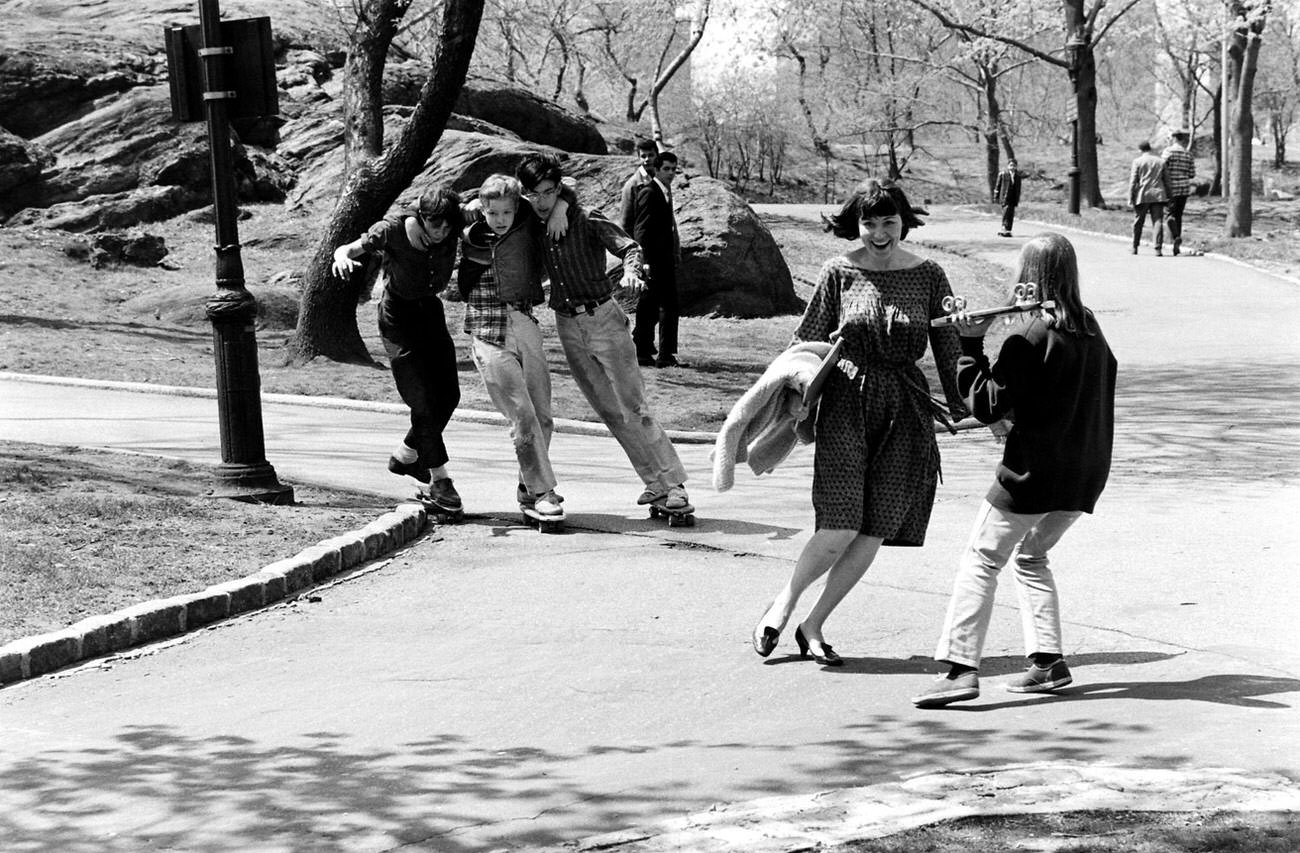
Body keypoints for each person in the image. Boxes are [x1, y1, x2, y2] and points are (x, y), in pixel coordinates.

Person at [751, 179, 970, 666]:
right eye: (868, 222)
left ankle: (814, 625)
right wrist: (794, 395)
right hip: (847, 403)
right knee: (840, 523)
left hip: (907, 412)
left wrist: (978, 408)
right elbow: (804, 344)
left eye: (888, 221)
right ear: (856, 224)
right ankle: (781, 607)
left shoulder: (930, 275)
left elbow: (951, 348)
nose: (878, 232)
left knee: (873, 529)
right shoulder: (838, 272)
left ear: (903, 222)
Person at [911, 232, 1117, 708]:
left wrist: (968, 345)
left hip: (1032, 477)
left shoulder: (1031, 335)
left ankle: (960, 669)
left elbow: (985, 405)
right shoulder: (1088, 327)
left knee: (980, 560)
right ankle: (1048, 663)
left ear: (1030, 276)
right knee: (1030, 558)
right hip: (1082, 475)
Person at [516, 153, 693, 512]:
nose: (542, 201)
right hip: (566, 324)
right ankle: (654, 485)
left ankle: (674, 485)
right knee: (609, 411)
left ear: (558, 189)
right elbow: (493, 201)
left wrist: (632, 272)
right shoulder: (531, 221)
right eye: (534, 194)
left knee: (635, 407)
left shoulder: (583, 216)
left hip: (603, 318)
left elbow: (629, 247)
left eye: (550, 193)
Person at [331, 185, 465, 514]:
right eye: (436, 225)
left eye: (449, 227)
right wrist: (341, 256)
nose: (443, 232)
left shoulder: (453, 226)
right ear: (422, 218)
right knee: (420, 399)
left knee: (448, 395)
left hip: (430, 314)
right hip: (398, 319)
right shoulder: (391, 230)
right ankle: (439, 480)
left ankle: (406, 456)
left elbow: (503, 202)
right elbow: (349, 248)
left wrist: (562, 207)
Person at [458, 174, 567, 519]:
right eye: (493, 213)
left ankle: (527, 487)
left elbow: (567, 189)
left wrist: (561, 205)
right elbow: (429, 209)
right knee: (522, 414)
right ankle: (544, 492)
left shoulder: (527, 225)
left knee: (543, 417)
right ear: (483, 209)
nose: (500, 219)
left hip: (524, 324)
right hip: (487, 331)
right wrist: (470, 205)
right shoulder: (470, 230)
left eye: (507, 212)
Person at [631, 151, 683, 368]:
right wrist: (643, 260)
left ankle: (661, 353)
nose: (671, 173)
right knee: (651, 305)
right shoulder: (649, 192)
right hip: (652, 260)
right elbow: (641, 230)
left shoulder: (664, 192)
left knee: (665, 305)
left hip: (665, 260)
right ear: (657, 169)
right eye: (666, 169)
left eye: (674, 169)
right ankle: (645, 351)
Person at [1128, 140, 1168, 256]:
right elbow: (1167, 181)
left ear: (1140, 150)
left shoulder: (1137, 162)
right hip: (1158, 195)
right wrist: (1169, 196)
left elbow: (1133, 181)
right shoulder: (1160, 161)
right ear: (1150, 148)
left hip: (1142, 194)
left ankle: (1135, 246)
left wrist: (1131, 196)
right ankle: (1158, 248)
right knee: (1157, 221)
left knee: (1139, 221)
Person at [1161, 129, 1196, 256]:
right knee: (1179, 215)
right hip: (1184, 188)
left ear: (1174, 138)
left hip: (1171, 189)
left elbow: (1161, 168)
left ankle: (1175, 237)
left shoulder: (1168, 152)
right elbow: (1192, 174)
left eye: (1170, 137)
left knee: (1169, 215)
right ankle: (1177, 245)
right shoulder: (1188, 154)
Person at [619, 138, 659, 235]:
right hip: (644, 242)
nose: (647, 159)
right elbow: (625, 223)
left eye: (651, 155)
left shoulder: (662, 179)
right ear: (639, 158)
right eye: (643, 156)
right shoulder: (632, 186)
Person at [994, 158, 1022, 237]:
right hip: (1005, 197)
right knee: (1006, 212)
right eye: (1011, 165)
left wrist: (1018, 198)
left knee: (1011, 213)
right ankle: (1004, 228)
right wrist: (996, 196)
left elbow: (1018, 188)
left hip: (1013, 197)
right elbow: (997, 186)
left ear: (1016, 167)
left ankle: (1008, 230)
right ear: (1008, 166)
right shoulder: (1003, 174)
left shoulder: (1018, 176)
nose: (1012, 167)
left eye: (1014, 166)